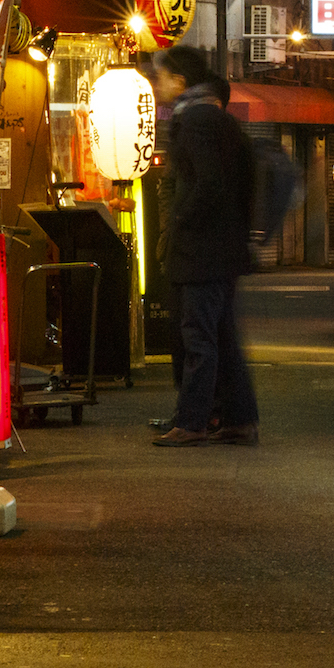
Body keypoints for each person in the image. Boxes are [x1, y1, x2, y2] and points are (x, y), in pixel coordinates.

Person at [148, 44, 260, 447]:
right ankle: (238, 419)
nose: (157, 85)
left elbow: (207, 183)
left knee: (198, 338)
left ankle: (193, 421)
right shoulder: (218, 120)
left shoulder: (195, 120)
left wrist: (180, 220)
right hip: (222, 250)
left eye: (160, 77)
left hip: (201, 251)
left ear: (179, 81)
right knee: (223, 337)